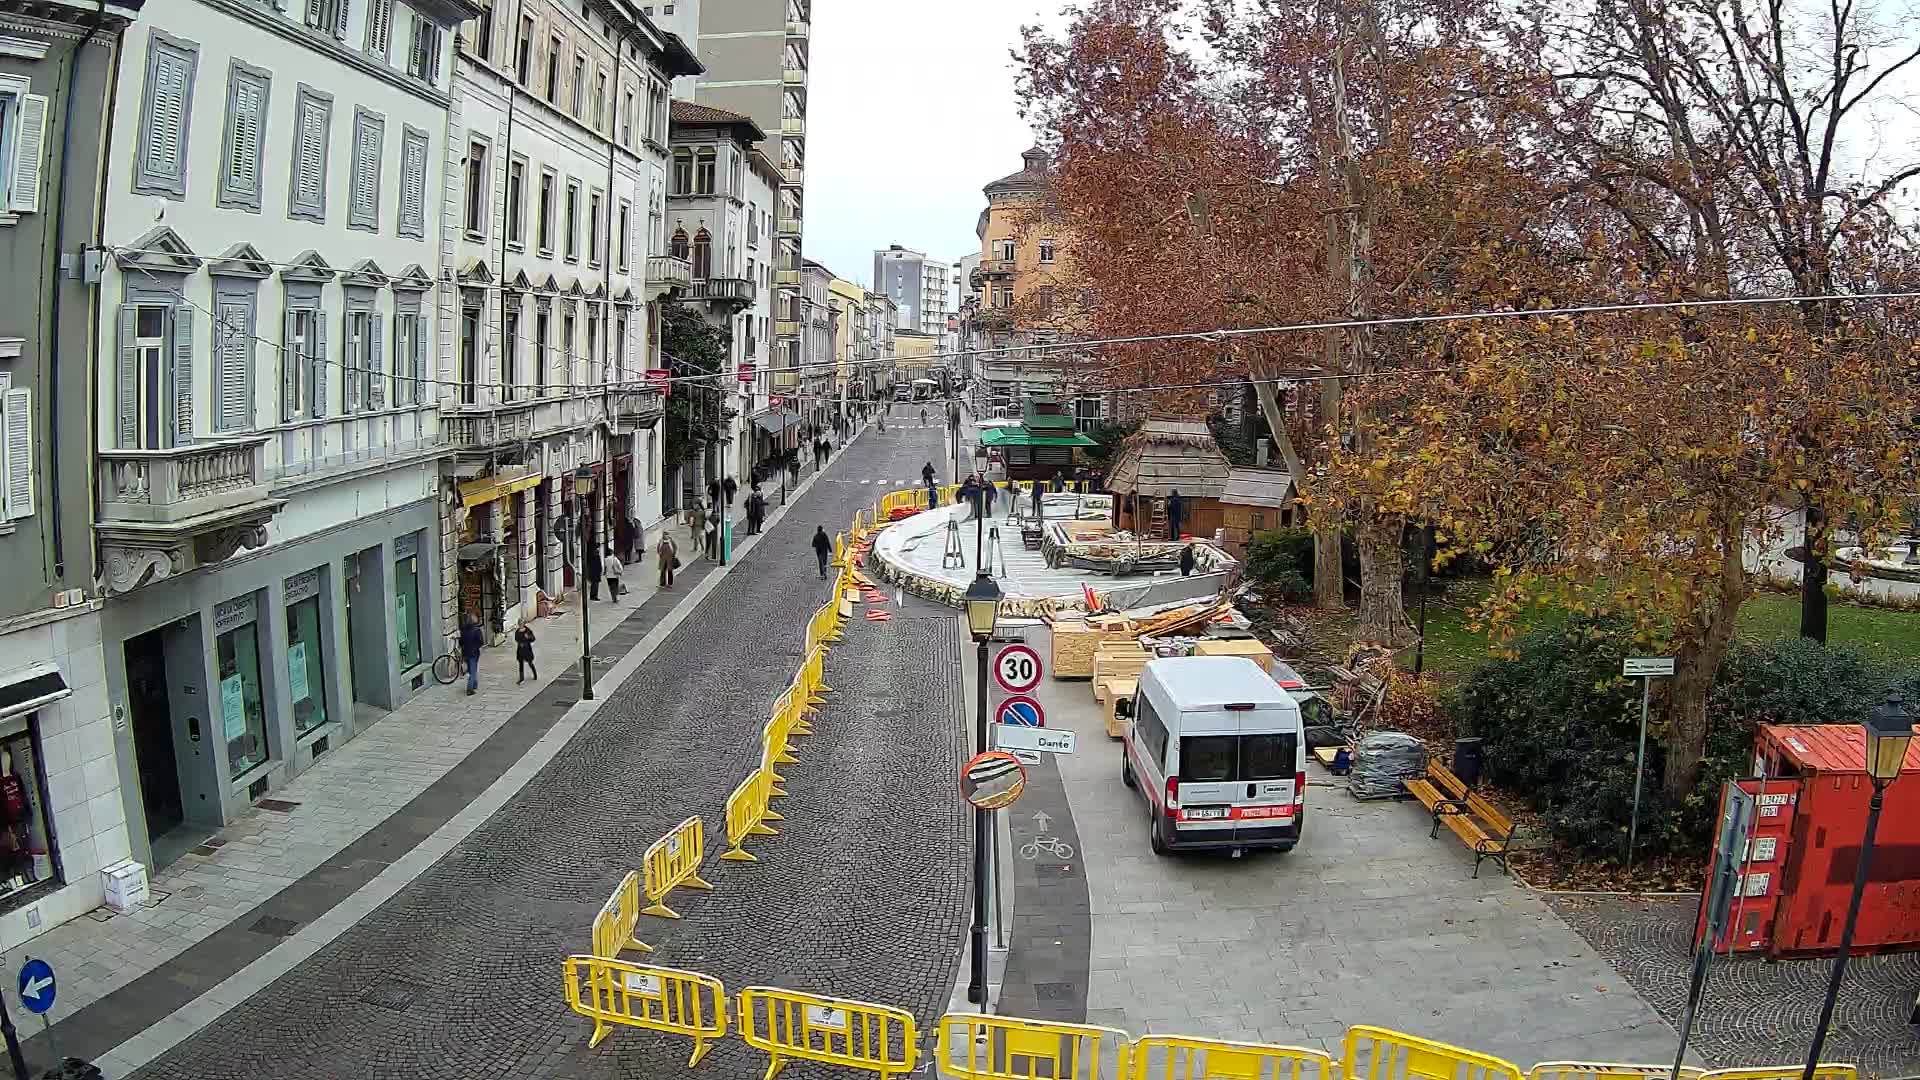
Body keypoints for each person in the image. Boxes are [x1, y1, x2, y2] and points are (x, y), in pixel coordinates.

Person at [459, 615, 484, 696]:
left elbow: (461, 642)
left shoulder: (463, 629)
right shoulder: (477, 630)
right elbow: (480, 642)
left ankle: (474, 684)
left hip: (466, 652)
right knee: (473, 670)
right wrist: (477, 646)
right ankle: (470, 689)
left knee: (471, 669)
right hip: (474, 653)